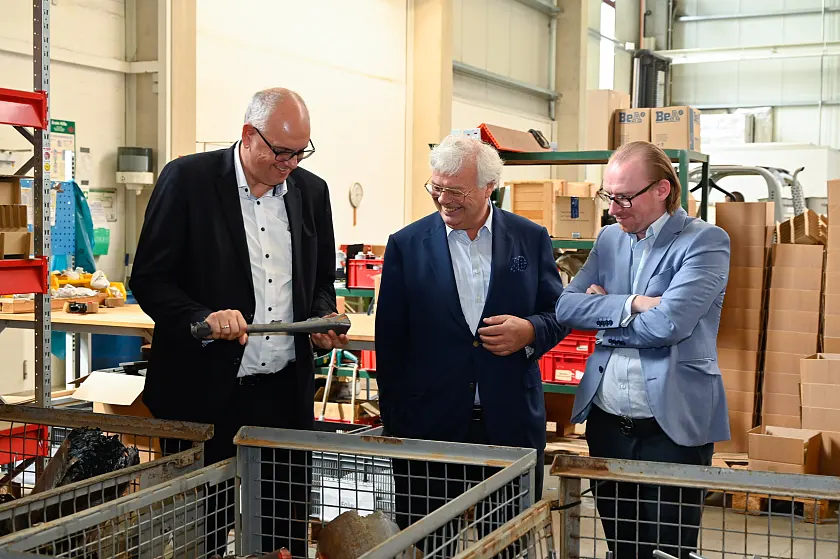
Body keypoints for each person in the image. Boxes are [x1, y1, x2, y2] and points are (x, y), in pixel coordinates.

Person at [130, 87, 347, 556]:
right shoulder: (188, 181)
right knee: (199, 533)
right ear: (249, 135)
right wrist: (201, 317)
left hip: (283, 395)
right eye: (281, 152)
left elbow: (319, 281)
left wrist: (319, 320)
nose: (290, 164)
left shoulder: (312, 192)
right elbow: (149, 279)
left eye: (300, 152)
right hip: (203, 393)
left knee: (283, 533)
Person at [375, 135, 568, 552]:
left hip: (509, 426)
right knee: (432, 543)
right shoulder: (406, 245)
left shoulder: (530, 238)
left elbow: (560, 313)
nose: (444, 200)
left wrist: (531, 331)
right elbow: (390, 340)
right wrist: (396, 422)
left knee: (507, 543)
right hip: (428, 429)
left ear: (489, 186)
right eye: (436, 188)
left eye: (456, 191)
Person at [554, 141, 730, 559]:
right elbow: (565, 306)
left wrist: (603, 317)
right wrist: (630, 304)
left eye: (623, 197)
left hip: (673, 425)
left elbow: (669, 324)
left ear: (662, 190)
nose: (613, 208)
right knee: (623, 545)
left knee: (669, 550)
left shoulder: (704, 242)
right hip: (608, 423)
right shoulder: (610, 238)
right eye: (608, 196)